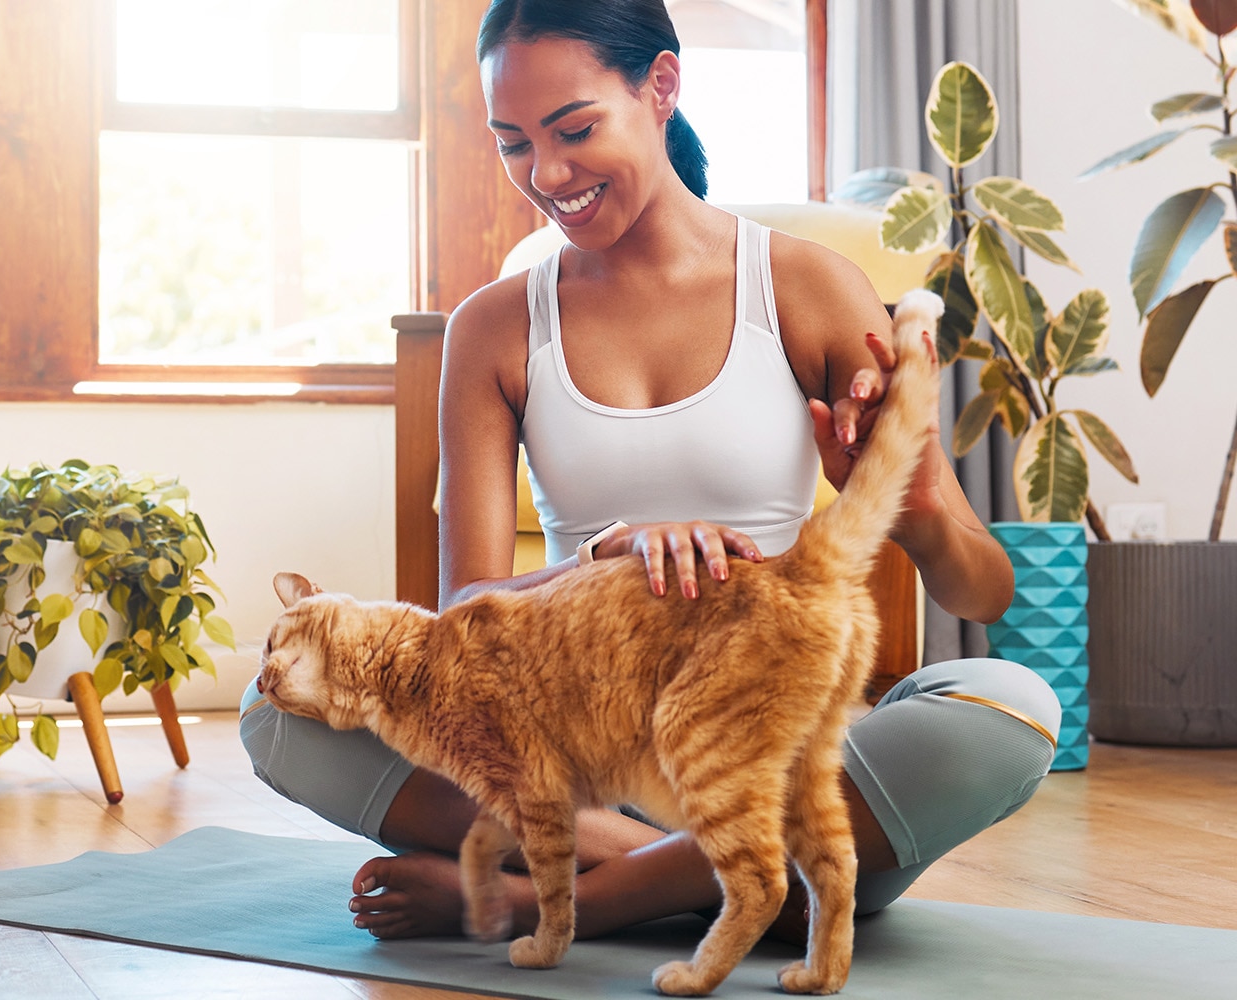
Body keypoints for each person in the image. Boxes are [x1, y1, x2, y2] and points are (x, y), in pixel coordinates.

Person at [240, 0, 1063, 941]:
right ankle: (752, 881)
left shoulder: (804, 289)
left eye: (575, 129)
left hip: (755, 745)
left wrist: (916, 509)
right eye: (513, 144)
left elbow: (985, 590)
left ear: (661, 85)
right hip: (574, 764)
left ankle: (548, 899)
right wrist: (603, 558)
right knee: (281, 718)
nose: (546, 175)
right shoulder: (495, 327)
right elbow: (462, 609)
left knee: (1006, 705)